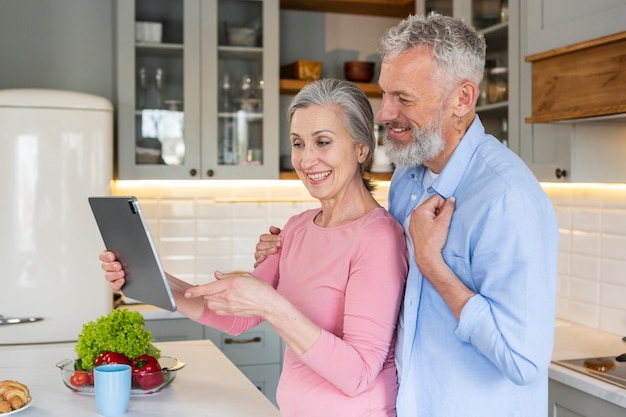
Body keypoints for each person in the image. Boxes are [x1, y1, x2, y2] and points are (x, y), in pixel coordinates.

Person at [254, 13, 559, 417]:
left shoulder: (506, 198)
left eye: (404, 98)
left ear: (462, 99)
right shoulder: (408, 177)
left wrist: (434, 266)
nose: (383, 114)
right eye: (385, 94)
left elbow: (524, 361)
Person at [101, 79, 408, 417]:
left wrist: (272, 305)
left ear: (362, 148)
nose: (306, 160)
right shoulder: (297, 228)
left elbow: (359, 374)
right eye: (298, 143)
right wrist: (152, 277)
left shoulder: (378, 238)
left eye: (323, 142)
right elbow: (235, 320)